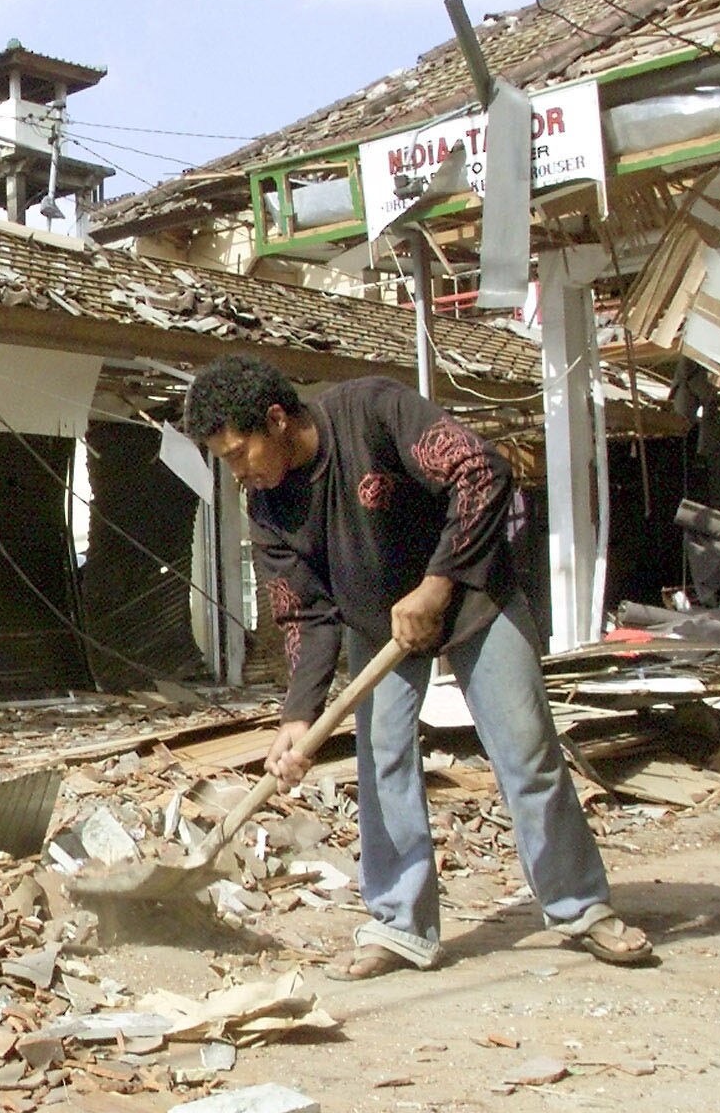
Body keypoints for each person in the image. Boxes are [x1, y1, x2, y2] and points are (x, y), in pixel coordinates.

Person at [184, 355, 652, 979]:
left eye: (239, 453)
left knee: (526, 752)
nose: (238, 472)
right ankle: (401, 924)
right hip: (378, 627)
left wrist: (436, 586)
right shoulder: (268, 508)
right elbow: (305, 614)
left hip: (472, 599)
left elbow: (481, 472)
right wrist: (298, 716)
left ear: (275, 420)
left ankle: (580, 907)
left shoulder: (375, 411)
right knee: (384, 767)